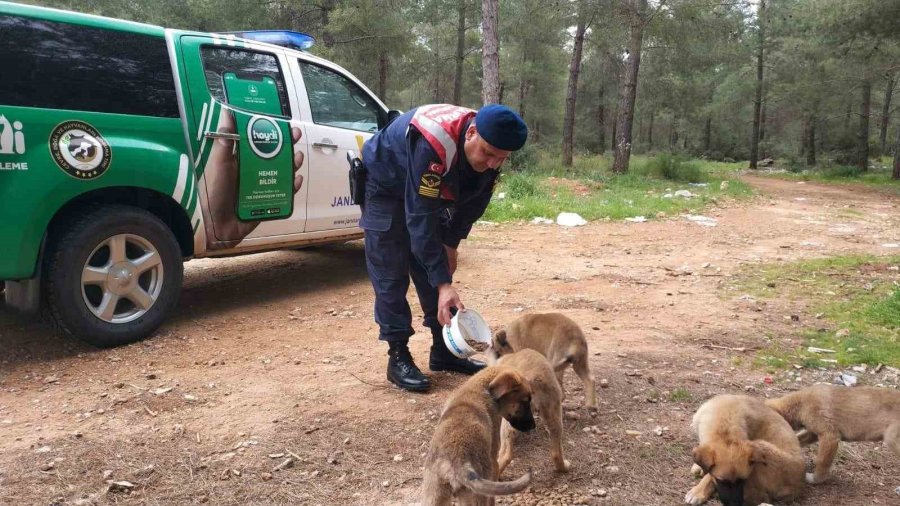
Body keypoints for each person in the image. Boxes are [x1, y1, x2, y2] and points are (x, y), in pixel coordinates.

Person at [360, 103, 528, 391]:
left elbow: (473, 203)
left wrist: (451, 244)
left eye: (501, 159)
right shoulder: (434, 142)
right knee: (391, 272)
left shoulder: (491, 149)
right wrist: (444, 284)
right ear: (471, 133)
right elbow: (419, 217)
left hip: (423, 192)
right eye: (488, 154)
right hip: (386, 184)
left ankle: (444, 351)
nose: (492, 163)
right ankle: (398, 355)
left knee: (435, 263)